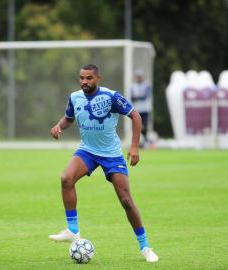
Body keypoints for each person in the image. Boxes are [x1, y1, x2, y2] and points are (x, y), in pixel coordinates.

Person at [49, 64, 159, 263]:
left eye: (89, 78)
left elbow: (135, 116)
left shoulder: (111, 97)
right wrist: (59, 126)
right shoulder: (75, 97)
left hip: (112, 155)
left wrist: (134, 146)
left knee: (126, 200)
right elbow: (69, 118)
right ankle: (73, 230)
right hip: (87, 151)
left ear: (98, 78)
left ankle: (145, 247)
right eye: (81, 78)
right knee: (66, 179)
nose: (84, 81)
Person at [130, 69, 152, 146]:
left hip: (145, 109)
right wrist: (140, 96)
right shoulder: (133, 86)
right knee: (137, 126)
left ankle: (145, 140)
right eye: (138, 77)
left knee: (145, 126)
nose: (139, 78)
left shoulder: (147, 85)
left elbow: (145, 96)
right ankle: (142, 140)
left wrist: (137, 97)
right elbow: (132, 97)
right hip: (137, 110)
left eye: (140, 76)